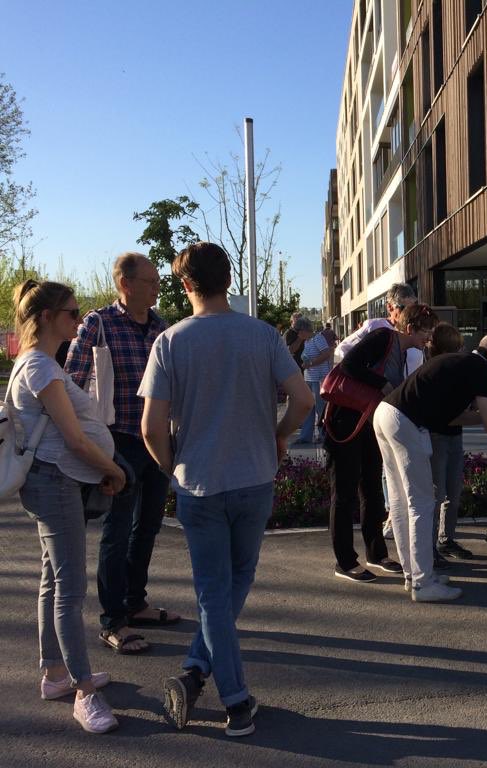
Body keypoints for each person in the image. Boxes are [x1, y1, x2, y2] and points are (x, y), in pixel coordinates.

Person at [139, 242, 312, 737]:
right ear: (229, 280)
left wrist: (171, 467)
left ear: (185, 285)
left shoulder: (170, 342)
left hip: (199, 482)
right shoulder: (263, 335)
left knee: (213, 591)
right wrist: (279, 436)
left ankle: (209, 680)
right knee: (235, 581)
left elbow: (151, 427)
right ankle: (228, 694)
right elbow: (303, 400)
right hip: (254, 476)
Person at [11, 280, 126, 733]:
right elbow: (75, 439)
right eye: (72, 313)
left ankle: (56, 673)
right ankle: (83, 690)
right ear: (47, 317)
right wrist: (113, 470)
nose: (79, 320)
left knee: (52, 581)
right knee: (70, 590)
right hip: (55, 485)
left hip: (52, 482)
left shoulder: (38, 362)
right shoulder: (40, 367)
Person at [373, 332, 487, 602]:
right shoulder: (480, 369)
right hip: (406, 422)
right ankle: (423, 584)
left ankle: (413, 576)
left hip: (386, 413)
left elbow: (455, 419)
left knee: (399, 501)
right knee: (422, 503)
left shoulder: (463, 364)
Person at [64, 253, 175, 655]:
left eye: (158, 280)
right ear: (126, 284)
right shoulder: (99, 323)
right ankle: (113, 621)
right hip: (118, 441)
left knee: (148, 527)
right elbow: (72, 382)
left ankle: (135, 602)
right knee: (117, 531)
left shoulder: (162, 328)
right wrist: (89, 441)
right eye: (150, 281)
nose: (157, 287)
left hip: (156, 440)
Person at [326, 303, 437, 583]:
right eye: (426, 331)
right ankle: (345, 561)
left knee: (372, 488)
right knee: (344, 492)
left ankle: (376, 553)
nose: (429, 337)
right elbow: (349, 364)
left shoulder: (405, 353)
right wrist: (382, 383)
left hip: (370, 422)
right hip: (346, 421)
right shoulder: (383, 337)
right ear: (410, 328)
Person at [425, 323, 473, 567]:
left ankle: (445, 539)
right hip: (437, 436)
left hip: (454, 435)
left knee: (453, 492)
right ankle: (430, 547)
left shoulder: (457, 369)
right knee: (437, 494)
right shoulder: (434, 370)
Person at [295, 326, 337, 445]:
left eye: (299, 332)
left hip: (319, 378)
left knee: (320, 408)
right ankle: (306, 436)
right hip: (309, 378)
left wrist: (310, 363)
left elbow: (326, 354)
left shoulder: (318, 339)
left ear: (304, 330)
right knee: (308, 408)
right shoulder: (307, 341)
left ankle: (324, 435)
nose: (298, 335)